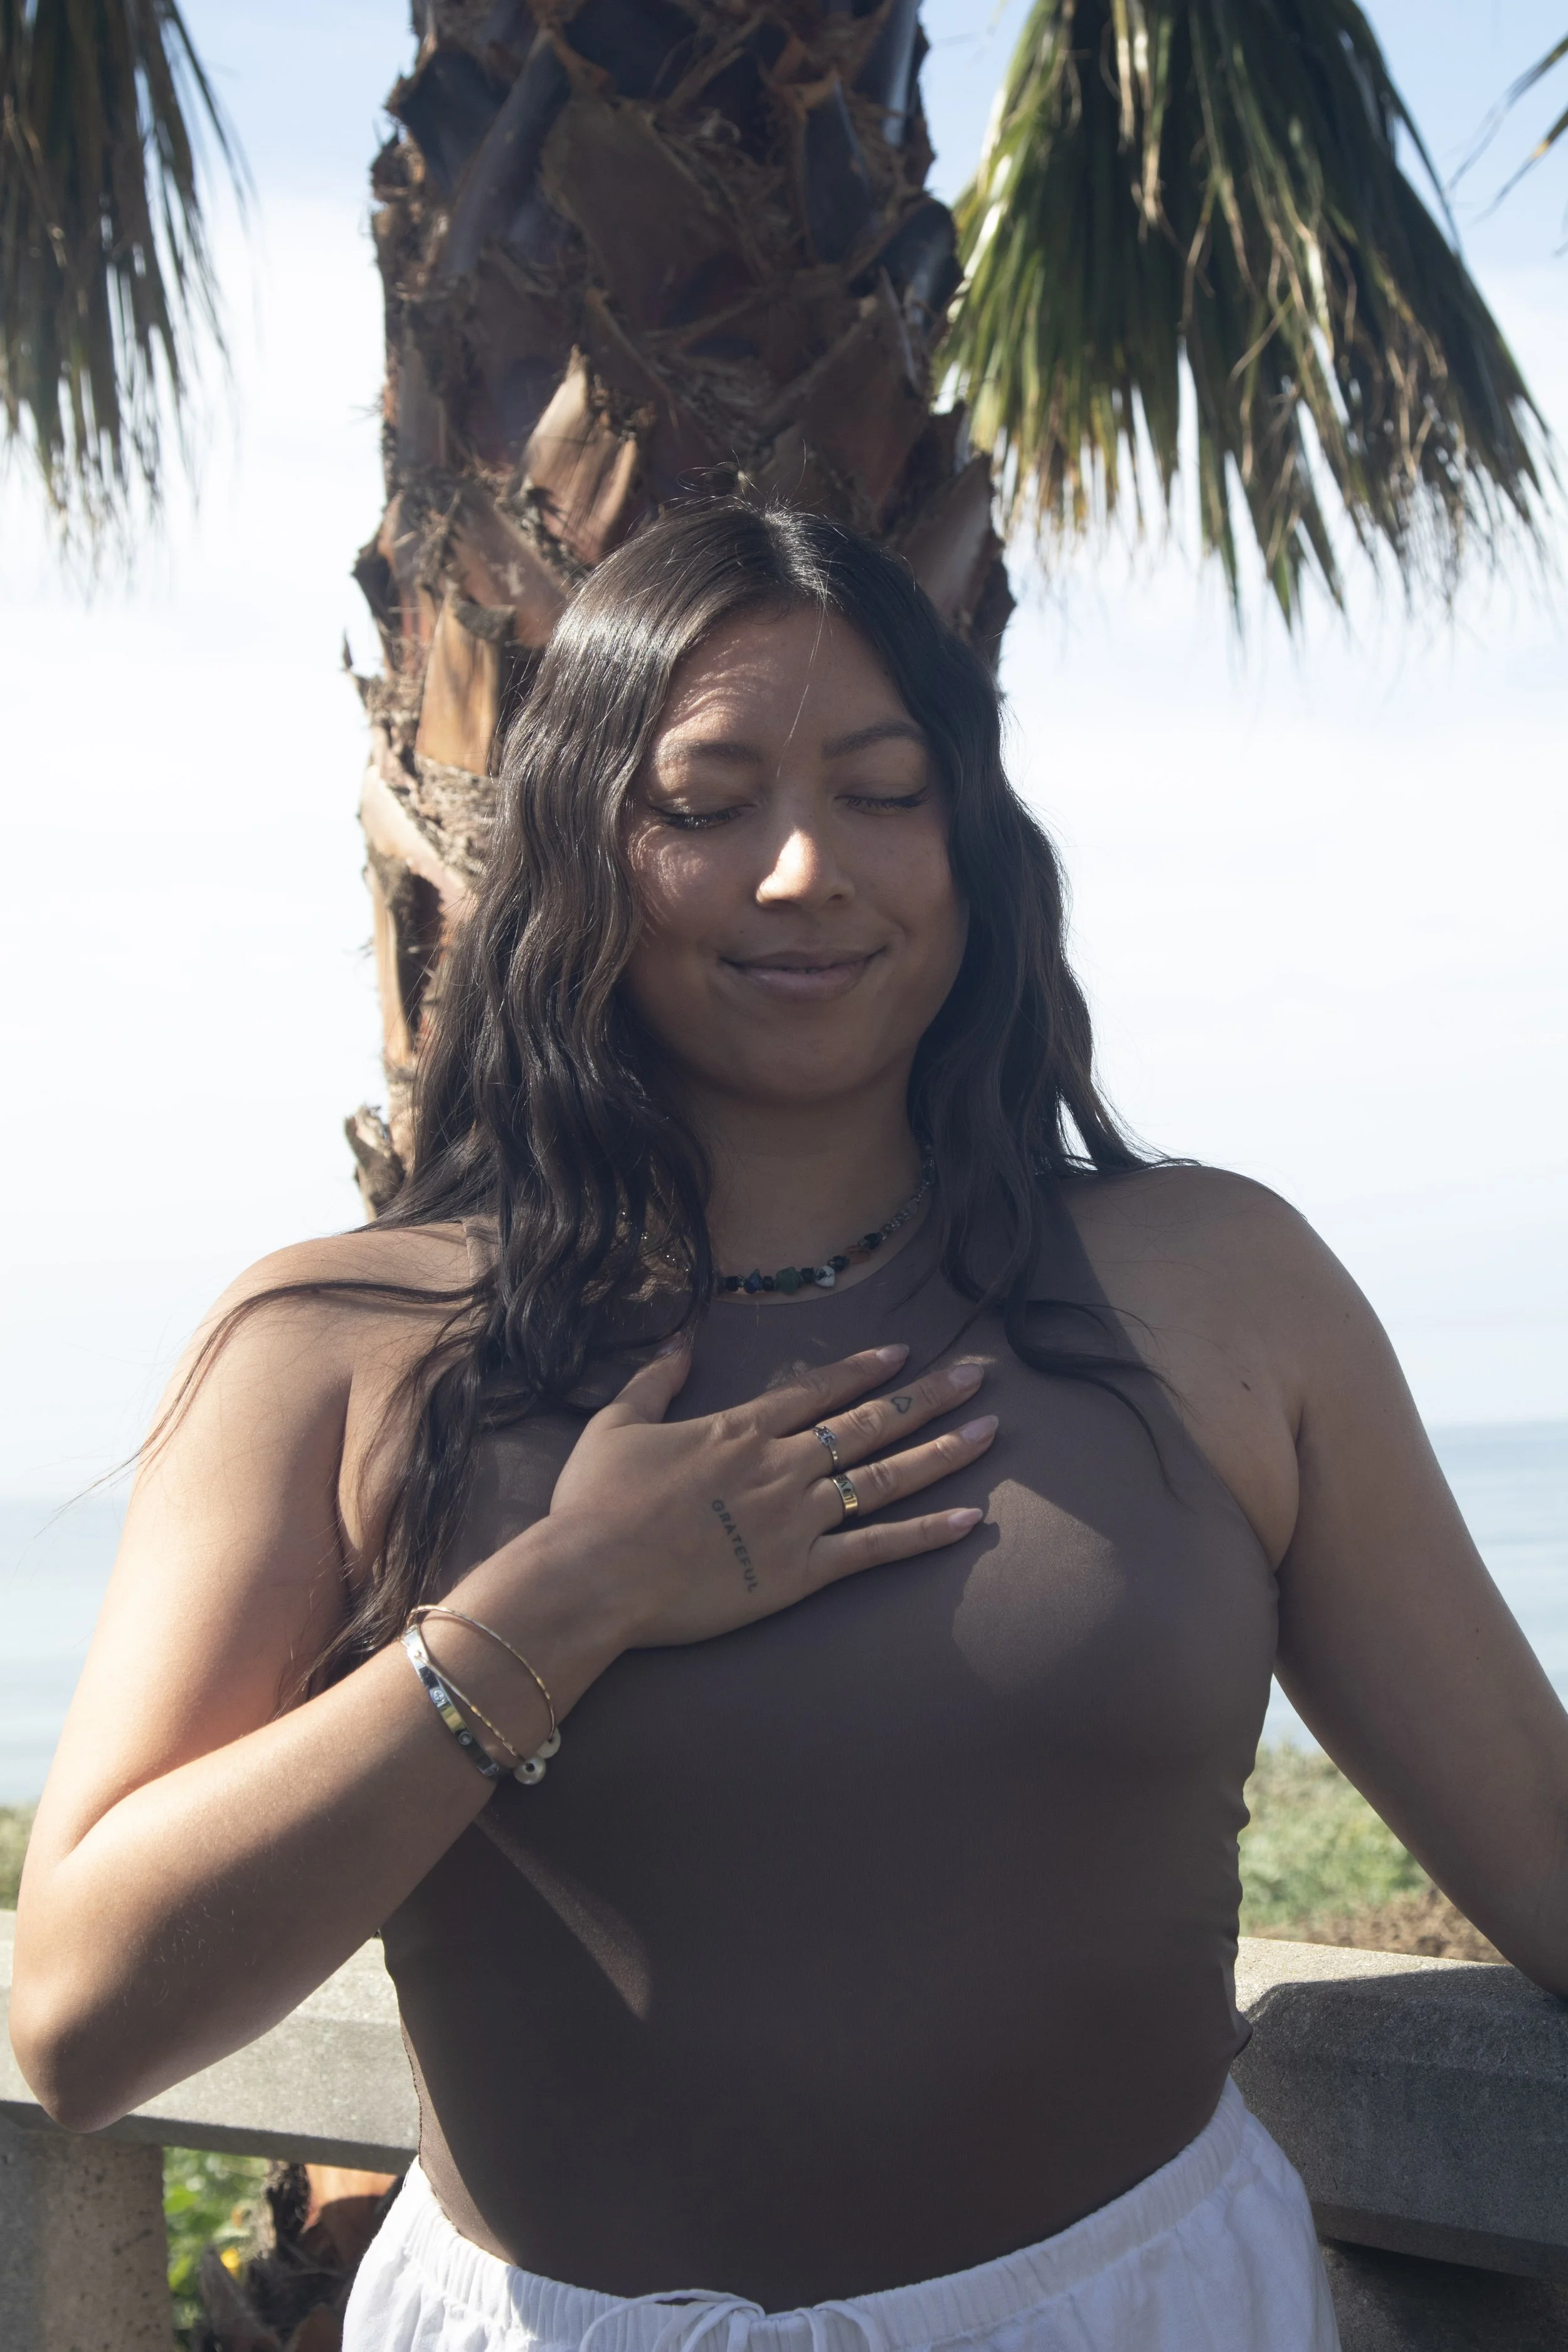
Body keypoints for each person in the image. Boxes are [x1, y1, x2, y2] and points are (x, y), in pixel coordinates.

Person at [12, 503, 1566, 2352]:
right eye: (705, 801)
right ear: (586, 848)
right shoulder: (344, 1345)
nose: (804, 868)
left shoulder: (1222, 1287)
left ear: (974, 842)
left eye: (883, 788)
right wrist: (556, 1606)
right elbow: (81, 2015)